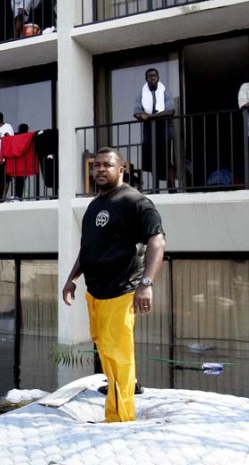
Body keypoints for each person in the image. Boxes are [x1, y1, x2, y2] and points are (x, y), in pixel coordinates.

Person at [61, 148, 166, 423]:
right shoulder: (95, 205)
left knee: (119, 356)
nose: (99, 170)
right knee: (106, 351)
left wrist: (146, 283)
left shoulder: (134, 202)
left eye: (107, 165)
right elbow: (88, 249)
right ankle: (125, 393)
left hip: (121, 292)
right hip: (95, 293)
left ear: (121, 169)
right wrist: (72, 279)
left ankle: (120, 420)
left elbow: (157, 241)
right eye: (95, 165)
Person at [133, 68, 176, 191]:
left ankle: (172, 189)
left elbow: (170, 111)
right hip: (149, 134)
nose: (152, 78)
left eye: (154, 76)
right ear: (146, 79)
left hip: (164, 133)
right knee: (152, 163)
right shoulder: (141, 93)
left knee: (167, 161)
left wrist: (150, 117)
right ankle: (155, 189)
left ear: (158, 77)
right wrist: (151, 117)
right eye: (150, 76)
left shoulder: (165, 92)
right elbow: (137, 113)